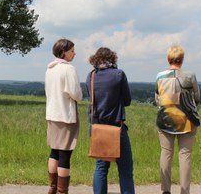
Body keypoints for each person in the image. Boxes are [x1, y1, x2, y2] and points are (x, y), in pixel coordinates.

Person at [86, 47, 135, 194]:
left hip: (98, 127)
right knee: (125, 168)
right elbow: (127, 101)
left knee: (101, 167)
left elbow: (92, 99)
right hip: (116, 127)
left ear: (95, 59)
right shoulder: (119, 74)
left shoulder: (91, 76)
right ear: (112, 58)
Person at [155, 45, 200, 194]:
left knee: (166, 154)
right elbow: (196, 97)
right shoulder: (190, 76)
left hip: (165, 119)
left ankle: (165, 190)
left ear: (169, 59)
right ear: (182, 59)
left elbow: (157, 99)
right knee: (185, 156)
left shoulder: (160, 76)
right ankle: (184, 191)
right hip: (187, 120)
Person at [45, 38, 83, 194]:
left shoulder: (50, 69)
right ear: (64, 52)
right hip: (66, 116)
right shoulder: (69, 69)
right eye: (72, 51)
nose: (74, 53)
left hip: (52, 114)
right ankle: (62, 191)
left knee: (54, 152)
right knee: (65, 154)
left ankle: (52, 187)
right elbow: (76, 94)